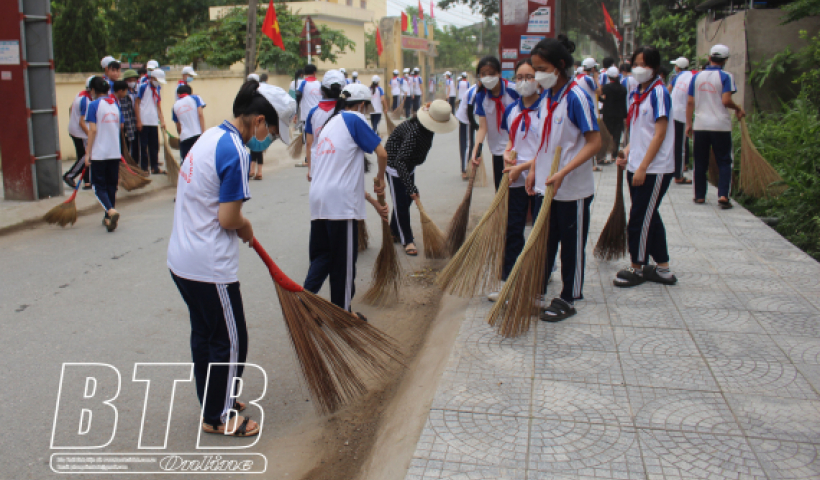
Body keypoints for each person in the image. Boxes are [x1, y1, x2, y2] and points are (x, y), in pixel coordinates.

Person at [168, 80, 294, 438]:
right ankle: (218, 417)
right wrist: (246, 224)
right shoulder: (236, 151)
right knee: (231, 338)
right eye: (270, 130)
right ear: (256, 121)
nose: (269, 139)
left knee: (206, 334)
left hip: (182, 259)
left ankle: (213, 400)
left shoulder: (210, 137)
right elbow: (228, 218)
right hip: (209, 266)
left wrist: (239, 225)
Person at [520, 35, 601, 322]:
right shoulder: (548, 96)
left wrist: (564, 171)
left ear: (560, 66)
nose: (537, 75)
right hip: (546, 183)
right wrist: (532, 170)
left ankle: (569, 296)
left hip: (571, 188)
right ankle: (539, 291)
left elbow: (594, 142)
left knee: (571, 243)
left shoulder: (576, 96)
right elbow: (545, 142)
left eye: (541, 68)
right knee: (546, 240)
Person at [304, 84, 388, 314]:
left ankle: (305, 301)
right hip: (340, 205)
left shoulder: (330, 124)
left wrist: (372, 201)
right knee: (343, 262)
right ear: (362, 104)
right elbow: (382, 153)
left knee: (322, 257)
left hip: (319, 200)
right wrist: (380, 178)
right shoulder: (355, 119)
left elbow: (337, 173)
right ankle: (343, 313)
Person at [614, 45, 678, 288]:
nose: (639, 69)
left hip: (655, 169)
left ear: (655, 67)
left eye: (645, 64)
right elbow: (641, 132)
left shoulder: (659, 93)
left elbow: (659, 134)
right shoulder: (636, 92)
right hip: (637, 165)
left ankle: (638, 267)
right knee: (651, 216)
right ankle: (662, 269)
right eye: (636, 64)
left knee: (639, 218)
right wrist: (627, 153)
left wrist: (642, 167)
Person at [486, 59, 543, 302]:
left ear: (538, 79)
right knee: (513, 228)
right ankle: (507, 280)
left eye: (528, 77)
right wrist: (509, 157)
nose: (523, 82)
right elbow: (511, 140)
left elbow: (550, 147)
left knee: (542, 232)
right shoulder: (512, 110)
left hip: (541, 179)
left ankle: (539, 281)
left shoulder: (547, 108)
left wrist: (527, 167)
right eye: (519, 77)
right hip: (517, 178)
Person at [385, 100, 458, 256]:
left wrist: (411, 188)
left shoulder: (426, 129)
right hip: (395, 167)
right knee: (402, 202)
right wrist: (410, 187)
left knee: (407, 199)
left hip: (409, 166)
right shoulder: (414, 132)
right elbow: (399, 161)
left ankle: (393, 230)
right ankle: (407, 239)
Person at [687, 44, 745, 209]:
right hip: (720, 125)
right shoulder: (726, 76)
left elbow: (690, 101)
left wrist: (689, 123)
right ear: (725, 60)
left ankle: (699, 196)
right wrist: (738, 109)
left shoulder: (696, 77)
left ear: (710, 58)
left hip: (701, 125)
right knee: (724, 161)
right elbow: (726, 100)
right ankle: (723, 195)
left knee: (700, 161)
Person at [471, 56, 520, 191]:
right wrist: (476, 149)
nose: (488, 77)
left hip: (517, 149)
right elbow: (482, 127)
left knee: (516, 191)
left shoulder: (514, 90)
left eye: (491, 74)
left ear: (499, 73)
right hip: (497, 149)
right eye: (483, 74)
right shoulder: (481, 96)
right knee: (500, 190)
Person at [84, 76, 124, 232]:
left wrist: (87, 153)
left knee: (98, 186)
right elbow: (120, 127)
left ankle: (110, 210)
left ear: (93, 91)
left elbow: (92, 130)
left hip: (100, 153)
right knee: (111, 186)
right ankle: (108, 217)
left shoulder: (93, 105)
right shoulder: (115, 105)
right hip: (114, 152)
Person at [305, 70, 346, 178]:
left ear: (322, 90)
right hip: (341, 165)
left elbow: (309, 143)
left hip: (317, 164)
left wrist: (310, 168)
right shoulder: (347, 111)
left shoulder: (313, 112)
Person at [64, 75, 95, 190]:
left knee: (84, 156)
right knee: (85, 157)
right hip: (80, 132)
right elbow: (82, 122)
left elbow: (70, 109)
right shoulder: (86, 101)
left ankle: (87, 181)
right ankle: (69, 175)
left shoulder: (80, 94)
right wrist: (90, 135)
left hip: (74, 130)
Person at [136, 68, 167, 175]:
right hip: (144, 121)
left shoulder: (157, 89)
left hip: (153, 121)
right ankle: (144, 168)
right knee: (144, 146)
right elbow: (137, 103)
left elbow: (158, 106)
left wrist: (162, 120)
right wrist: (138, 120)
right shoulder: (143, 87)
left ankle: (155, 167)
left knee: (154, 146)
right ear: (152, 78)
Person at [668, 57, 694, 185]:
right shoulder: (691, 77)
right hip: (682, 115)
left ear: (678, 67)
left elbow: (668, 90)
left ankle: (675, 170)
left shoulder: (677, 77)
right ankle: (679, 174)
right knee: (681, 146)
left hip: (673, 113)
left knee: (674, 144)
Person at [173, 84, 206, 164]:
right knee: (198, 161)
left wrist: (181, 135)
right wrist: (204, 132)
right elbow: (200, 114)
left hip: (185, 138)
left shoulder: (175, 106)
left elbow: (178, 125)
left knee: (186, 163)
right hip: (197, 134)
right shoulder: (195, 98)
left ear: (178, 94)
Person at [601, 66, 627, 162]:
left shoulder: (607, 88)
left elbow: (601, 96)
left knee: (608, 133)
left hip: (608, 113)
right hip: (619, 114)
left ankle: (607, 153)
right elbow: (624, 102)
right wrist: (625, 114)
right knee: (617, 134)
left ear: (609, 77)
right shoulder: (623, 89)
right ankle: (614, 154)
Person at [455, 80, 479, 180]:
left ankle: (468, 167)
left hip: (467, 117)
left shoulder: (477, 88)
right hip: (465, 119)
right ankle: (465, 170)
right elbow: (469, 112)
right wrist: (475, 125)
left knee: (470, 144)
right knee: (468, 144)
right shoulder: (474, 92)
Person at [113, 79, 137, 165]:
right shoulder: (112, 101)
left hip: (124, 130)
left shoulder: (123, 99)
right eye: (125, 91)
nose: (126, 93)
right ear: (120, 91)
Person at [122, 70, 142, 167]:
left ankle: (135, 165)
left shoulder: (136, 92)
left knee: (136, 147)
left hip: (136, 123)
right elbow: (125, 113)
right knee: (128, 147)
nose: (132, 82)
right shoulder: (123, 94)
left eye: (134, 80)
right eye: (130, 80)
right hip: (128, 124)